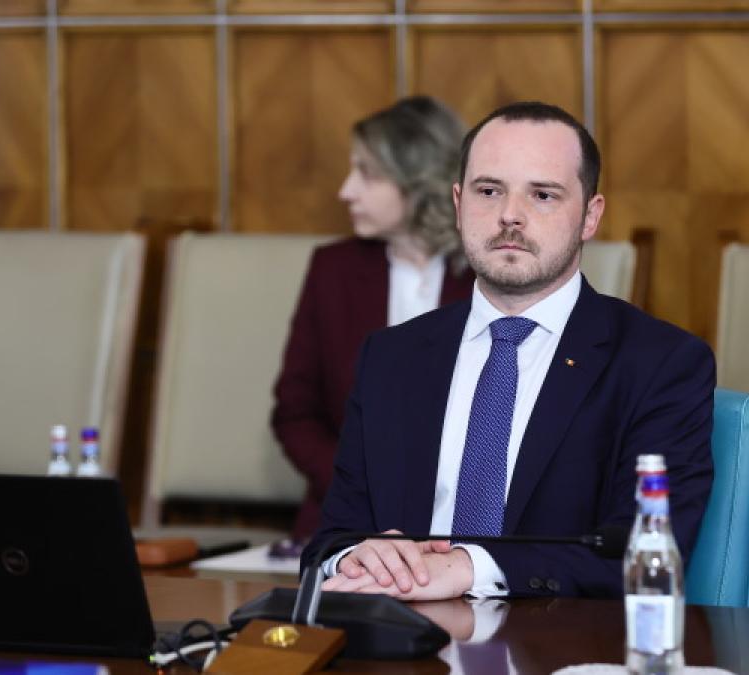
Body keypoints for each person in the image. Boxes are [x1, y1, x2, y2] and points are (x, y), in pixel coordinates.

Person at [302, 101, 715, 600]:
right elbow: (333, 537)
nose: (510, 216)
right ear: (458, 204)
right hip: (400, 629)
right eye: (489, 191)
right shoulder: (391, 357)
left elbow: (641, 553)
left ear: (590, 216)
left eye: (542, 195)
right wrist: (353, 556)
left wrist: (470, 567)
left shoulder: (661, 363)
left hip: (559, 636)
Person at [272, 96, 474, 541]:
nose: (346, 191)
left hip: (470, 528)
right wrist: (362, 495)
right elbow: (295, 414)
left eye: (367, 173)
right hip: (347, 527)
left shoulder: (490, 275)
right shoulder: (333, 270)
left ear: (418, 179)